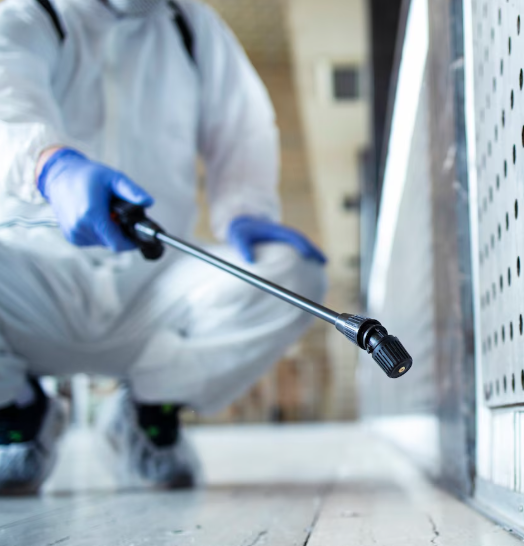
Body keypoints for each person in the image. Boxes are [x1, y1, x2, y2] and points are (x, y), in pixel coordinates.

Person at [0, 0, 328, 494]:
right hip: (35, 283)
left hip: (156, 284)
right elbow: (9, 95)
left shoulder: (190, 27)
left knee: (291, 272)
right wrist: (50, 165)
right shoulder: (30, 11)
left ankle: (150, 410)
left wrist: (243, 208)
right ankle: (18, 410)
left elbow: (241, 123)